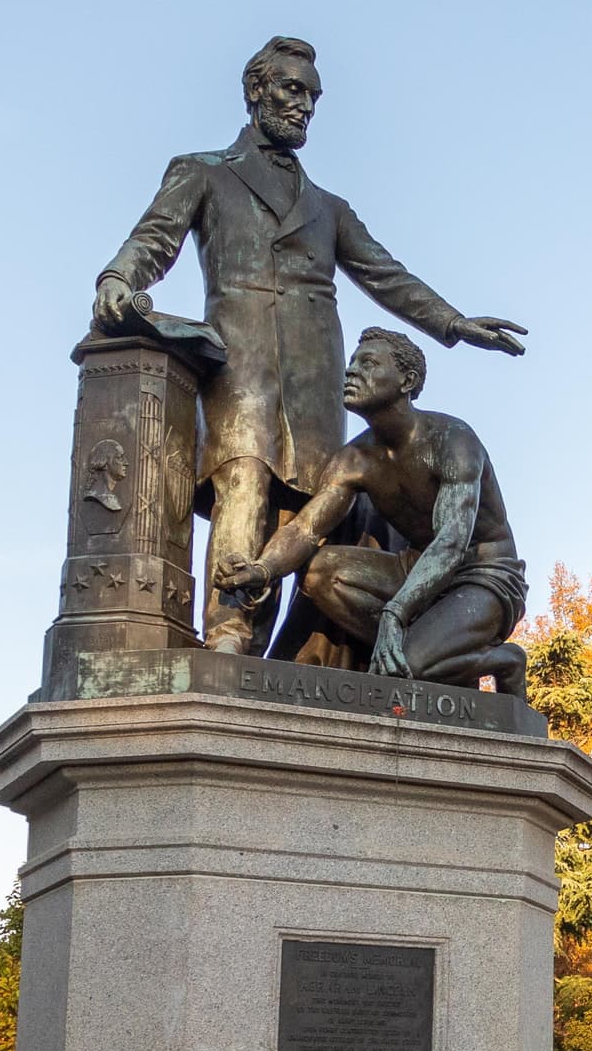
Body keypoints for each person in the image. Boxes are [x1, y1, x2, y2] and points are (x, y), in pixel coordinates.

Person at [92, 38, 529, 653]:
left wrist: (453, 324)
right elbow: (154, 239)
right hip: (240, 365)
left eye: (313, 97)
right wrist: (118, 278)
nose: (305, 107)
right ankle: (228, 632)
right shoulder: (203, 172)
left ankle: (284, 654)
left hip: (318, 374)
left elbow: (387, 275)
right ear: (255, 90)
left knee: (303, 510)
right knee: (241, 478)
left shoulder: (329, 207)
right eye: (293, 91)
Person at [211, 330, 528, 689]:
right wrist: (263, 569)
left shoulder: (452, 439)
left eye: (369, 364)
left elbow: (452, 542)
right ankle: (421, 645)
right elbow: (306, 530)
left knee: (411, 666)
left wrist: (396, 610)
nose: (351, 372)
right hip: (413, 570)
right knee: (319, 572)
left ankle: (503, 660)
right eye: (351, 363)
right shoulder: (355, 458)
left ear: (407, 380)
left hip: (481, 576)